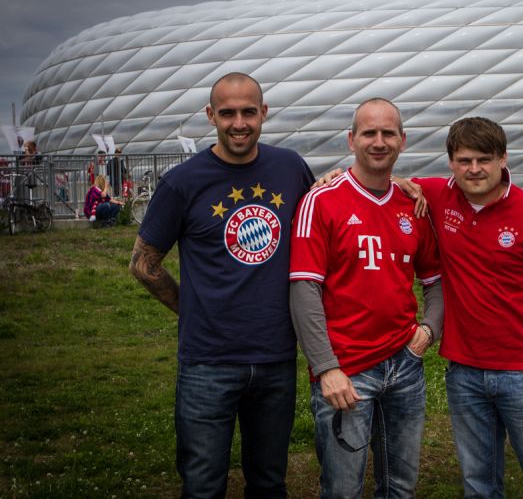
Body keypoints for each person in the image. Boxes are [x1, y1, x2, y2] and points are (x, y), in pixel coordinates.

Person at [129, 72, 314, 498]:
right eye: (227, 113)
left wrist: (399, 184)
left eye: (249, 112)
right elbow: (143, 264)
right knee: (202, 484)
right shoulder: (183, 182)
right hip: (207, 361)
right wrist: (190, 308)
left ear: (264, 113)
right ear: (210, 115)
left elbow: (329, 209)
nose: (239, 123)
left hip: (275, 356)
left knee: (269, 482)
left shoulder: (289, 168)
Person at [413, 117, 523, 498]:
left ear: (503, 158)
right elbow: (381, 182)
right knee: (478, 483)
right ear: (451, 163)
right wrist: (333, 176)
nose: (474, 169)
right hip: (465, 371)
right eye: (464, 160)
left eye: (484, 159)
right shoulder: (441, 196)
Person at [289, 98, 443, 498]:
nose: (379, 142)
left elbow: (435, 280)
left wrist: (428, 331)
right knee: (342, 489)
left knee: (400, 487)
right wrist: (326, 368)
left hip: (405, 365)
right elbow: (304, 289)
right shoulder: (321, 200)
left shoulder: (413, 203)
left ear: (403, 141)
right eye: (369, 133)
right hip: (347, 370)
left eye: (388, 133)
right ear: (351, 139)